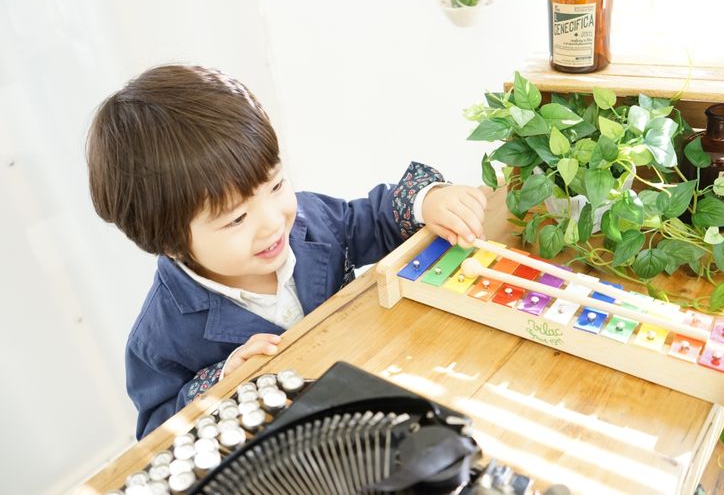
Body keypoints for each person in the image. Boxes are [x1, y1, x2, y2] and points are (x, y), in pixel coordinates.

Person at [86, 65, 487, 439]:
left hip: (373, 405)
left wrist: (428, 200)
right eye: (236, 219)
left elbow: (372, 220)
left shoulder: (308, 219)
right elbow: (157, 436)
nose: (273, 221)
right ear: (170, 243)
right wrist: (221, 383)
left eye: (276, 186)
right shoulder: (160, 337)